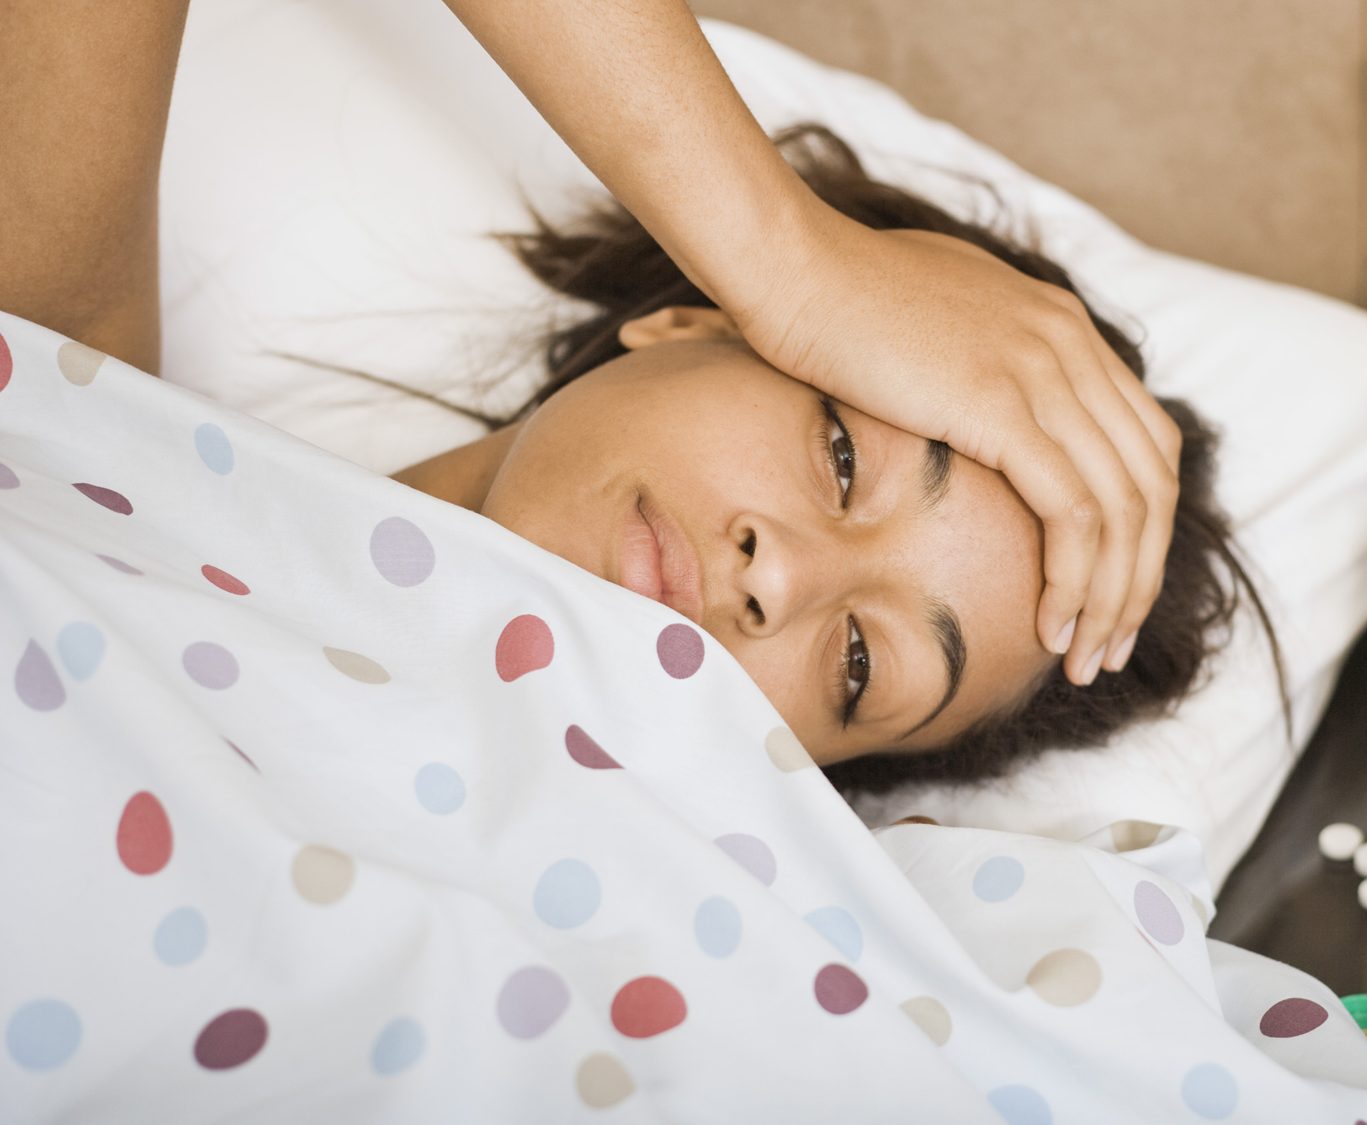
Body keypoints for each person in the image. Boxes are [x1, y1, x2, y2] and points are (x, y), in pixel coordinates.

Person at [0, 1, 1279, 789]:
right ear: (685, 319)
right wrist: (792, 256)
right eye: (841, 463)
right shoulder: (67, 425)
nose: (781, 583)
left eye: (855, 662)